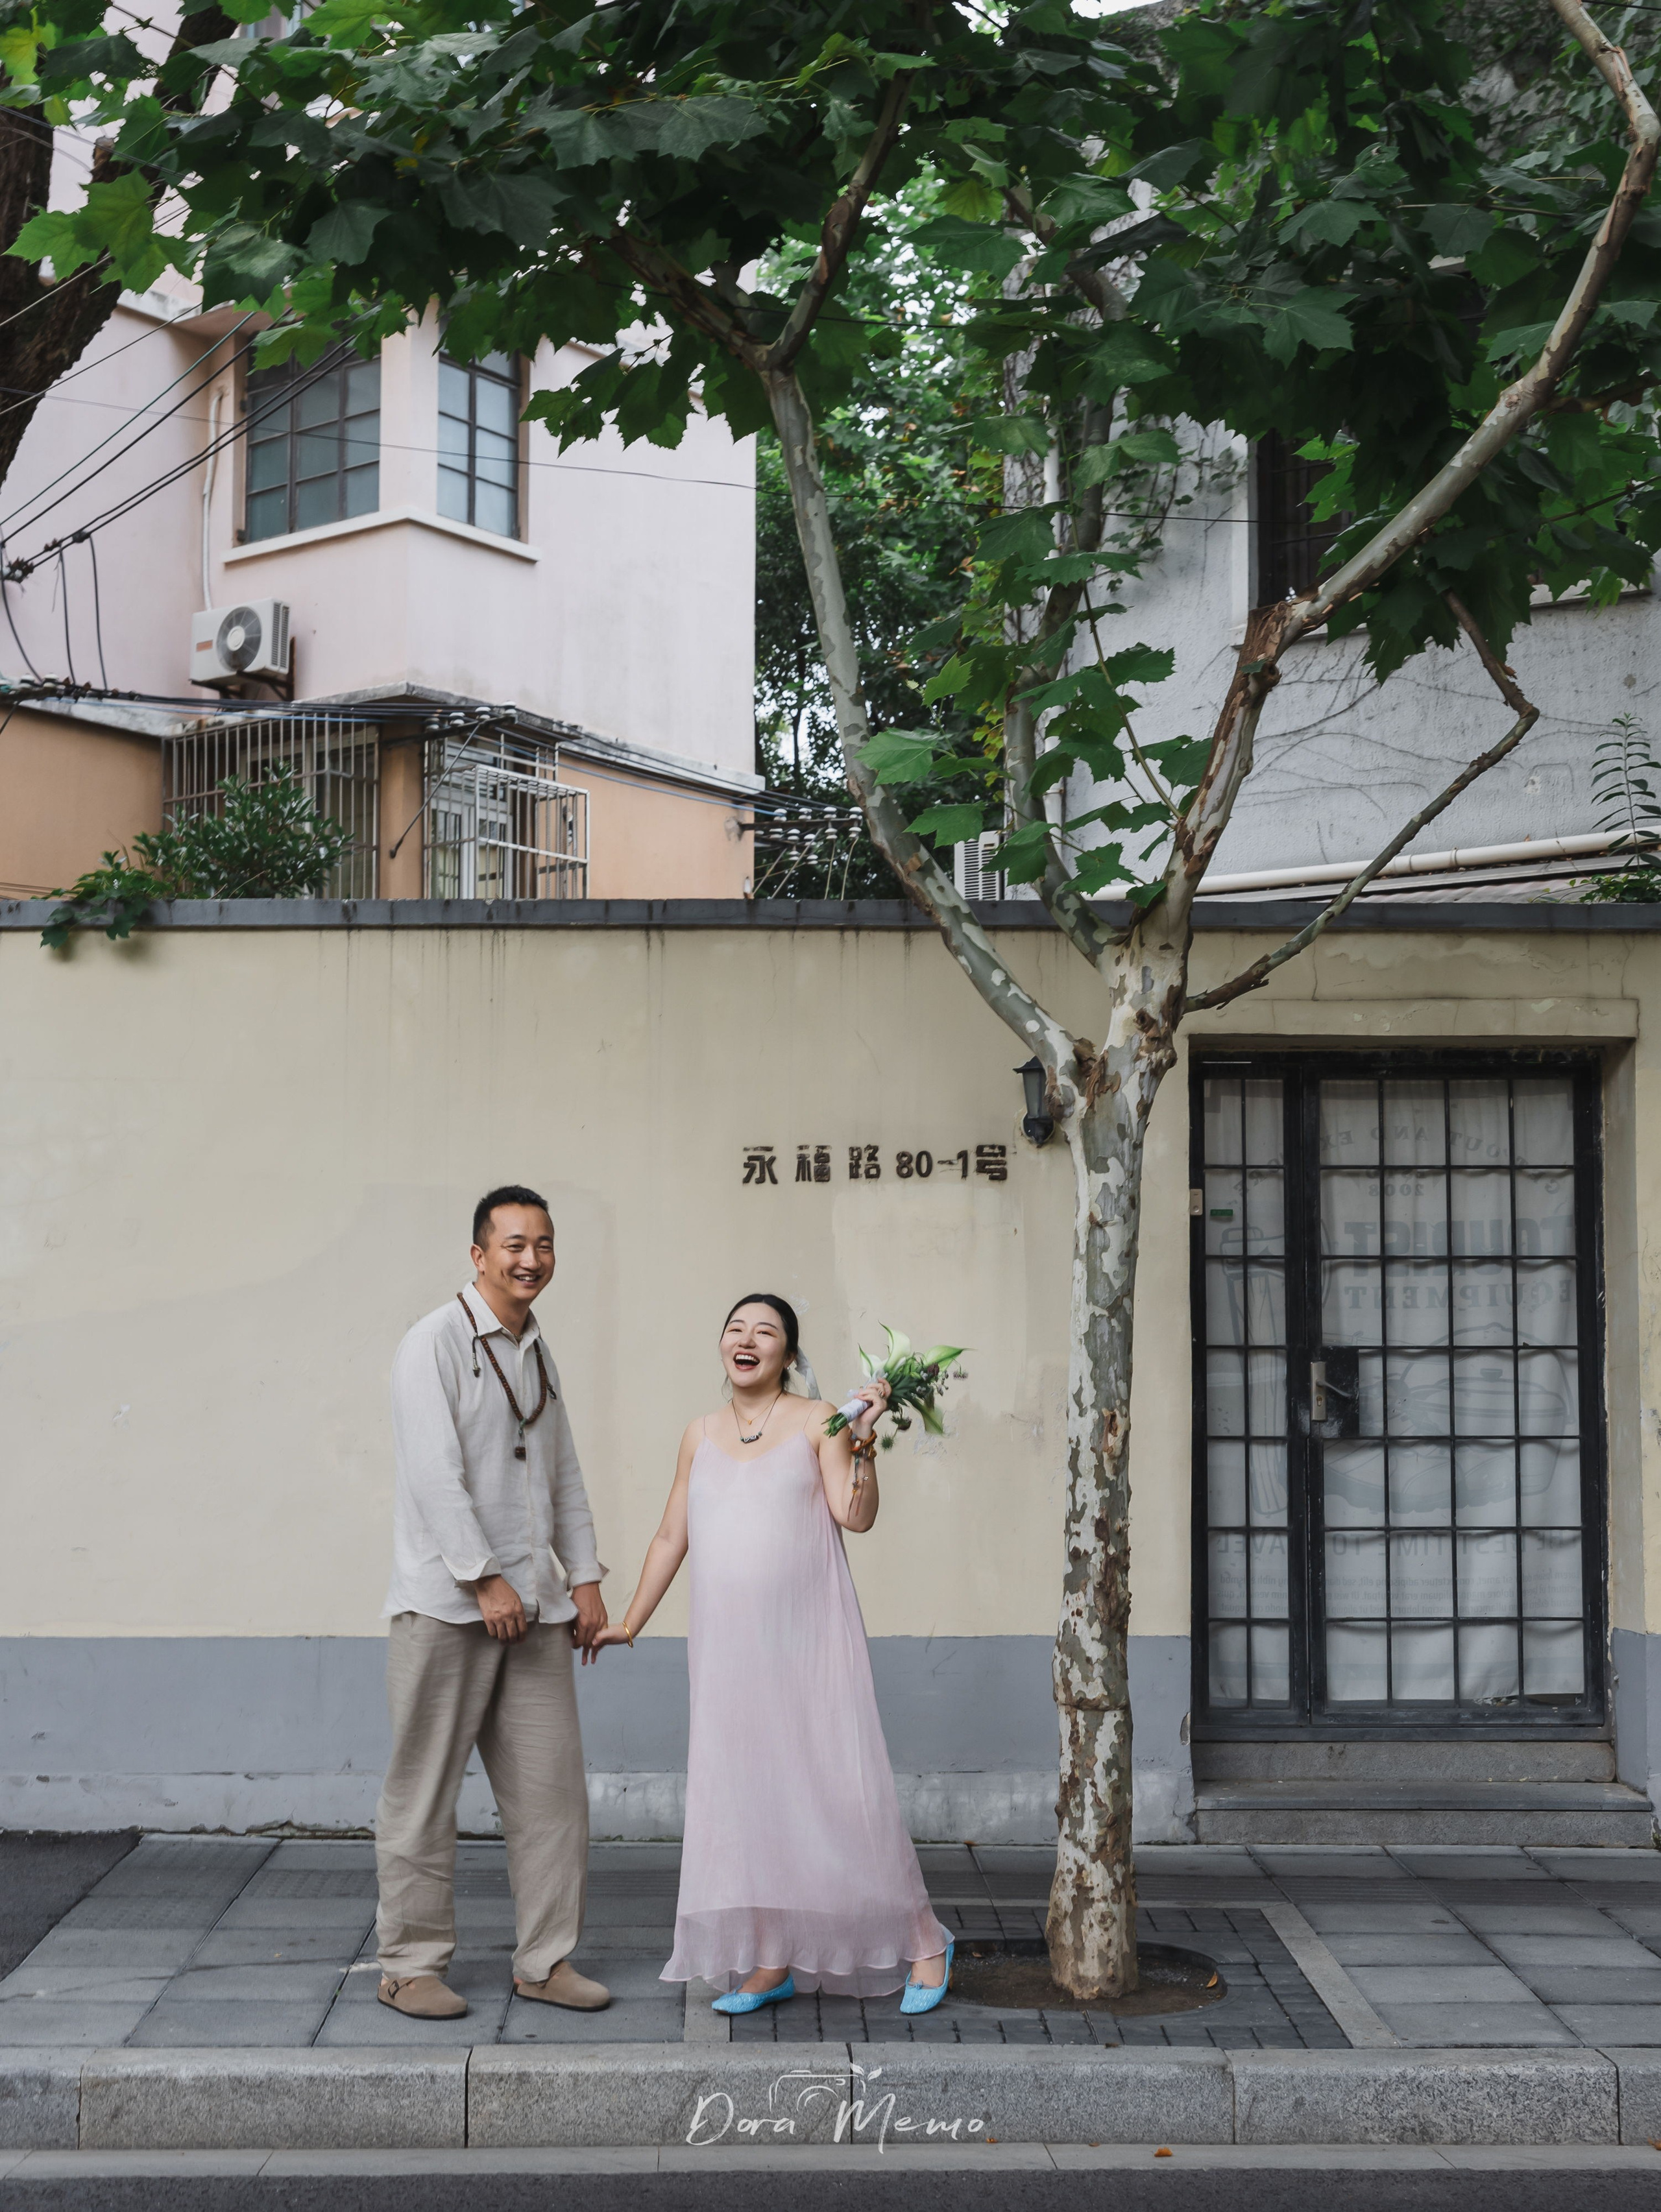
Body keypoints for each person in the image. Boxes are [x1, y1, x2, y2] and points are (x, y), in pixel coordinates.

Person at [592, 1293, 954, 2016]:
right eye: (735, 1328)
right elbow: (672, 1537)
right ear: (721, 1346)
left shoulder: (819, 1418)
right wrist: (629, 1620)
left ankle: (923, 1937)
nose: (746, 1338)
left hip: (808, 1644)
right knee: (746, 1793)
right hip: (727, 1654)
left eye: (766, 1331)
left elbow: (855, 1515)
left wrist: (861, 1442)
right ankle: (769, 1957)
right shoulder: (698, 1433)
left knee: (838, 1789)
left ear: (788, 1353)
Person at [373, 1184, 611, 2021]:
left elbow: (563, 1471)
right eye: (513, 1244)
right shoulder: (430, 1344)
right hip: (447, 1606)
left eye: (543, 1244)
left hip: (536, 1610)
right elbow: (436, 1474)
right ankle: (407, 1963)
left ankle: (545, 1961)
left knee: (552, 1797)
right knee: (423, 1792)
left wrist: (582, 1577)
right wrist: (483, 1576)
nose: (530, 1258)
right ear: (478, 1255)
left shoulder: (539, 1349)